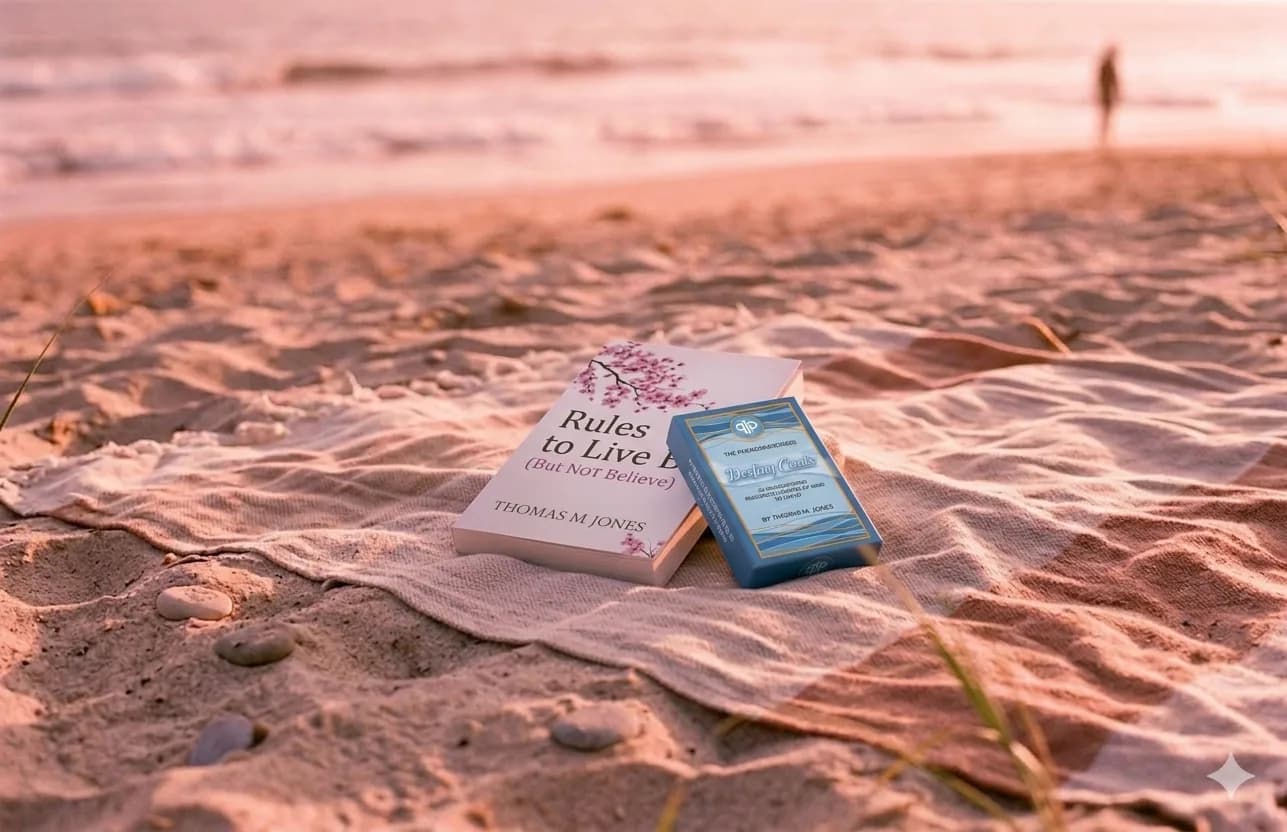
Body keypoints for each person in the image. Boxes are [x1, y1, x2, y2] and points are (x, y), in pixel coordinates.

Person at [1097, 45, 1121, 147]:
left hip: (1104, 93)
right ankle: (1105, 137)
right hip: (1106, 94)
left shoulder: (1105, 65)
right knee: (1106, 115)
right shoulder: (1108, 65)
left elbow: (1100, 81)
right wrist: (1117, 93)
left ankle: (1105, 136)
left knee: (1106, 116)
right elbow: (1114, 82)